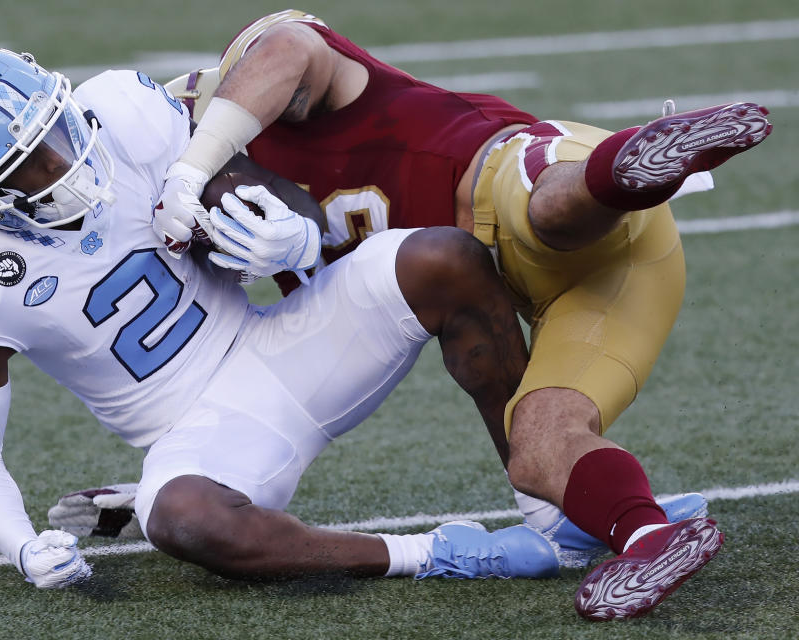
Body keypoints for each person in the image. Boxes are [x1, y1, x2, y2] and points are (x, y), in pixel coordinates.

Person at [144, 10, 771, 620]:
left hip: (533, 173)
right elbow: (293, 358)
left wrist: (191, 167)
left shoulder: (298, 82)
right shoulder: (272, 223)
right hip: (621, 283)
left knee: (533, 213)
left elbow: (284, 45)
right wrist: (195, 470)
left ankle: (632, 168)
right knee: (537, 447)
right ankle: (648, 540)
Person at [0, 47, 566, 590]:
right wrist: (22, 549)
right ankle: (437, 553)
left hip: (284, 342)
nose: (63, 163)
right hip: (197, 429)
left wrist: (293, 235)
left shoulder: (122, 115)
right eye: (29, 166)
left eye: (58, 129)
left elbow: (273, 197)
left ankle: (553, 507)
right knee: (188, 518)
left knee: (444, 258)